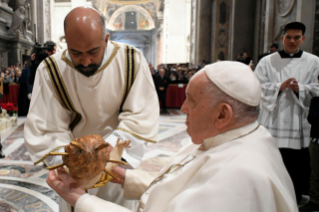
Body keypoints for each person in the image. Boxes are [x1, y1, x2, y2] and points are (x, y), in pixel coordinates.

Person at [47, 61, 298, 212]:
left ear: (223, 115)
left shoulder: (240, 176)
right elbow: (187, 185)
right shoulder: (236, 136)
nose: (183, 108)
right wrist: (126, 177)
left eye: (192, 100)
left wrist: (79, 201)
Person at [24, 6, 159, 212]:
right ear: (66, 43)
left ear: (106, 39)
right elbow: (47, 126)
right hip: (73, 169)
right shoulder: (51, 69)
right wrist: (74, 159)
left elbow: (140, 114)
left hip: (116, 165)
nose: (85, 61)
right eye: (76, 53)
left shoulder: (132, 60)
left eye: (93, 52)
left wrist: (104, 153)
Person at [255, 22, 319, 203]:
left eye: (297, 37)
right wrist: (278, 87)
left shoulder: (314, 62)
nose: (292, 41)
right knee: (273, 158)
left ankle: (295, 195)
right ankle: (270, 195)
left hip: (299, 120)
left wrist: (301, 89)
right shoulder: (267, 61)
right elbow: (256, 86)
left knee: (296, 162)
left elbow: (317, 88)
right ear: (282, 38)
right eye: (288, 37)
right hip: (273, 119)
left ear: (303, 38)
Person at [299, 76, 319, 212]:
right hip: (316, 142)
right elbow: (312, 118)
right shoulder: (316, 100)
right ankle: (314, 200)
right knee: (315, 173)